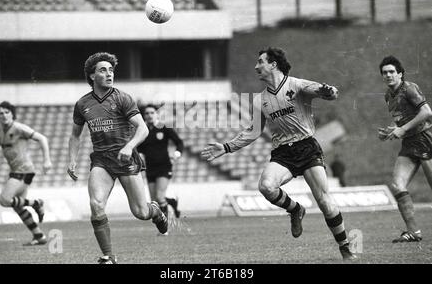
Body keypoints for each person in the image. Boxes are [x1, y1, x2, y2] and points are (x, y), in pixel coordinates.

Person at [201, 47, 357, 260]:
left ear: (273, 64)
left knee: (324, 201)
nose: (256, 66)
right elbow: (253, 132)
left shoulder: (297, 85)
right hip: (283, 153)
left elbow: (326, 92)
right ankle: (295, 209)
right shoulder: (259, 100)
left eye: (260, 62)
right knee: (266, 186)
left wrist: (329, 91)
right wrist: (227, 147)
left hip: (307, 147)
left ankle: (345, 248)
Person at [67, 52, 168, 264]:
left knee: (141, 212)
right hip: (101, 161)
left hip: (126, 159)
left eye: (111, 70)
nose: (109, 73)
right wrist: (72, 160)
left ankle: (155, 211)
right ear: (92, 76)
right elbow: (75, 135)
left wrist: (129, 146)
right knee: (96, 204)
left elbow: (142, 129)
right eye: (103, 70)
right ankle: (109, 256)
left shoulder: (122, 98)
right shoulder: (82, 104)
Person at [378, 55, 432, 243]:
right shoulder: (388, 96)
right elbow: (402, 118)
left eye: (392, 71)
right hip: (409, 144)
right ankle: (413, 232)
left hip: (425, 139)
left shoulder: (409, 88)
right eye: (385, 73)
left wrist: (403, 129)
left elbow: (426, 112)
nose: (388, 75)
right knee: (397, 185)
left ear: (400, 74)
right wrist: (392, 130)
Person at [0, 101, 51, 245]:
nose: (4, 115)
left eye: (7, 112)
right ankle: (39, 236)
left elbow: (42, 138)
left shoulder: (19, 128)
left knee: (4, 200)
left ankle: (36, 203)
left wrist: (46, 160)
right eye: (0, 113)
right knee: (18, 207)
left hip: (24, 170)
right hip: (16, 171)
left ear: (12, 114)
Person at [138, 104, 183, 222]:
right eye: (147, 113)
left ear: (157, 114)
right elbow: (140, 148)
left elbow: (179, 142)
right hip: (150, 168)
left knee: (159, 196)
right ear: (143, 116)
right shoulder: (143, 131)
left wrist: (177, 154)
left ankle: (164, 226)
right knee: (155, 200)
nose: (149, 115)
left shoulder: (164, 128)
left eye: (152, 112)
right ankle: (172, 202)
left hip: (164, 166)